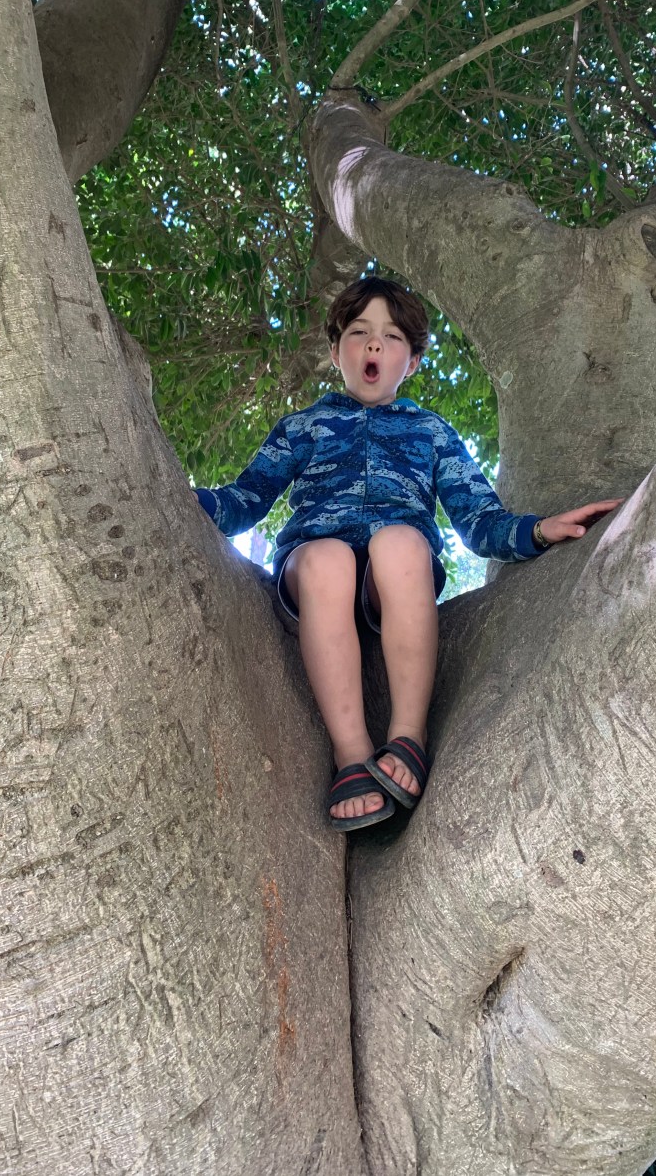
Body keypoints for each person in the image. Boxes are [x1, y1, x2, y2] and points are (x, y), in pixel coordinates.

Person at [194, 277, 621, 832]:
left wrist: (539, 530)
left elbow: (479, 519)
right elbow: (243, 500)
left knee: (399, 541)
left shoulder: (431, 432)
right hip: (314, 573)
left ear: (412, 362)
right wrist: (187, 499)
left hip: (392, 582)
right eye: (359, 332)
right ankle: (352, 756)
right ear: (336, 352)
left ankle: (408, 736)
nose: (374, 344)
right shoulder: (303, 427)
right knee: (327, 558)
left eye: (392, 336)